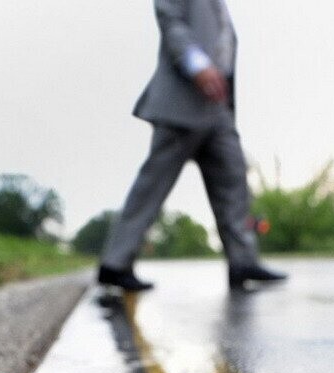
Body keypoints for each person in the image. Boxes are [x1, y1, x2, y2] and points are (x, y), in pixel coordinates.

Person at [97, 0, 287, 291]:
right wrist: (197, 65)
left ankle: (243, 261)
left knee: (234, 180)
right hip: (183, 102)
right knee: (154, 184)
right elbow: (171, 23)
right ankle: (115, 263)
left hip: (218, 108)